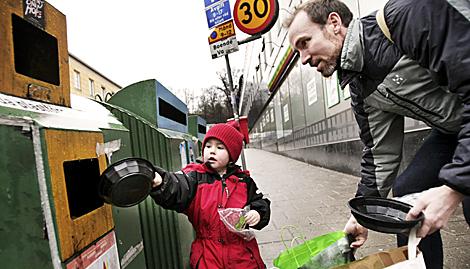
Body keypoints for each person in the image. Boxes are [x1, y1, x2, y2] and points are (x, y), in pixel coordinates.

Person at [285, 0, 470, 267]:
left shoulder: (405, 19)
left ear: (334, 24)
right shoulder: (360, 86)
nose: (303, 59)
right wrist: (360, 216)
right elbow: (379, 155)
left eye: (304, 42)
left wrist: (453, 189)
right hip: (454, 129)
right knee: (408, 194)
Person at [150, 123, 271, 269]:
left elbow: (260, 202)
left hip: (242, 255)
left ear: (232, 154)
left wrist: (257, 213)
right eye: (208, 146)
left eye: (220, 147)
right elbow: (177, 187)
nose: (212, 151)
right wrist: (161, 182)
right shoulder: (195, 177)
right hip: (208, 255)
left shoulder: (244, 181)